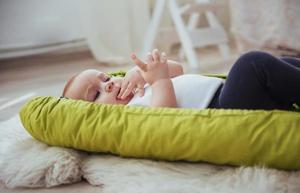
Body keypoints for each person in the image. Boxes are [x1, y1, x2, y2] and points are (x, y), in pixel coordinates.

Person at [62, 49, 300, 111]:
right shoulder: (131, 113)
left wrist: (147, 73)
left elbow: (177, 70)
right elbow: (164, 117)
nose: (109, 84)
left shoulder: (137, 87)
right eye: (96, 94)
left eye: (105, 78)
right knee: (251, 64)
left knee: (282, 63)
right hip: (223, 107)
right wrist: (157, 83)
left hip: (226, 92)